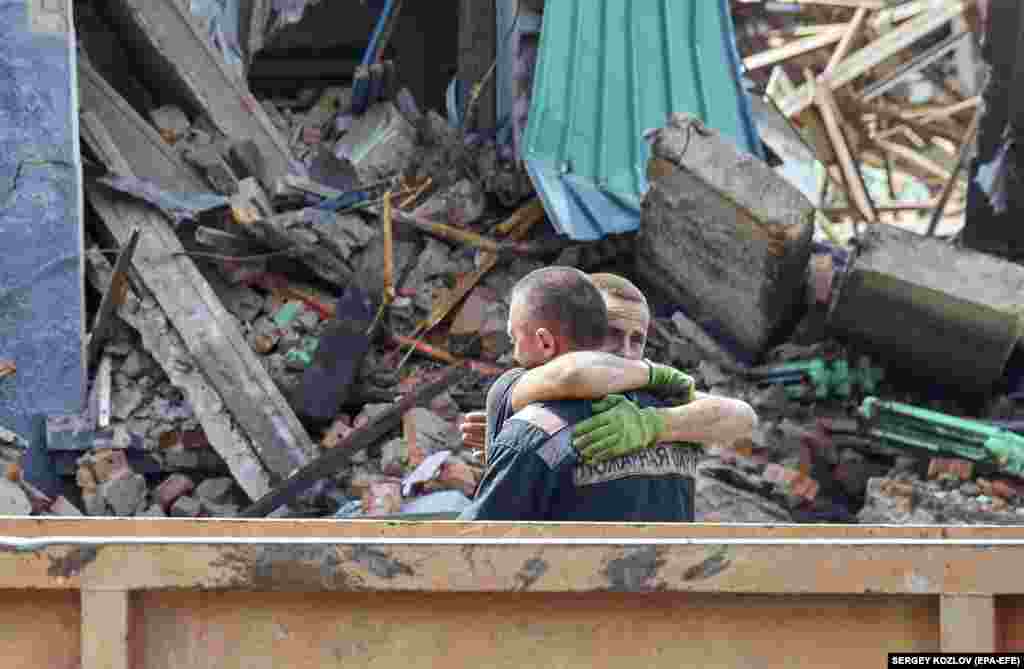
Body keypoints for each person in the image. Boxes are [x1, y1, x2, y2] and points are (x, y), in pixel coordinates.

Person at [457, 267, 712, 521]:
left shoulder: (532, 431)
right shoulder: (682, 423)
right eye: (614, 333)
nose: (625, 352)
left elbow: (473, 545)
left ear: (545, 341)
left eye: (514, 341)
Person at [459, 272, 756, 467]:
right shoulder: (525, 381)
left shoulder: (647, 396)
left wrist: (654, 424)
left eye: (637, 339)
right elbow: (574, 373)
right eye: (611, 333)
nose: (626, 352)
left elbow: (742, 417)